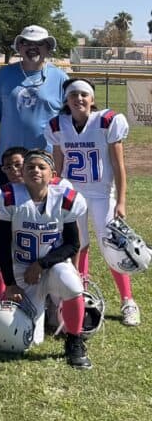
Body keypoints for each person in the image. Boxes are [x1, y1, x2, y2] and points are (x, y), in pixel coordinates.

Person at [45, 78, 137, 325]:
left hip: (101, 194)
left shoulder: (107, 122)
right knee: (78, 246)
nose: (79, 99)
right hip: (72, 195)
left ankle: (128, 300)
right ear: (67, 101)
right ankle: (81, 295)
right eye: (74, 95)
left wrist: (121, 200)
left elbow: (118, 166)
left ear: (92, 99)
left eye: (84, 95)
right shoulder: (58, 125)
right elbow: (57, 168)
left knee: (113, 248)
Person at [0, 149, 92, 369]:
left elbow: (72, 244)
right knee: (21, 340)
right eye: (30, 167)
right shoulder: (7, 197)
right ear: (23, 172)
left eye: (41, 167)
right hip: (20, 267)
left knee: (73, 285)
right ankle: (34, 312)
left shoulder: (65, 199)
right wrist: (10, 283)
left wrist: (41, 264)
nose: (35, 170)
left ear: (52, 173)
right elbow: (4, 243)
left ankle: (75, 340)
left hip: (51, 265)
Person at [0, 25, 69, 185]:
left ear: (48, 48)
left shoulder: (60, 78)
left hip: (43, 162)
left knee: (41, 209)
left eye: (39, 43)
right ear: (19, 47)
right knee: (6, 207)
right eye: (26, 43)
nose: (32, 47)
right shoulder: (4, 74)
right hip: (8, 162)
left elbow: (68, 122)